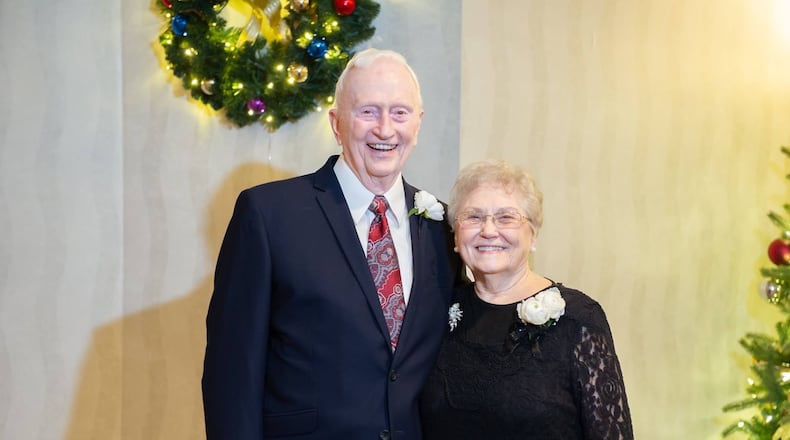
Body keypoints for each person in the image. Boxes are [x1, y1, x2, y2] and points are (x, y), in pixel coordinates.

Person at [202, 48, 466, 439]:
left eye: (399, 113)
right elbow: (232, 373)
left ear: (418, 124)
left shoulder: (443, 226)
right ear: (337, 123)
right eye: (368, 112)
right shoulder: (268, 214)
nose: (385, 129)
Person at [419, 160, 633, 439]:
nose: (489, 230)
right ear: (456, 237)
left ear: (533, 234)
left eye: (506, 217)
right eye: (473, 217)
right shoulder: (437, 311)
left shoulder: (579, 319)